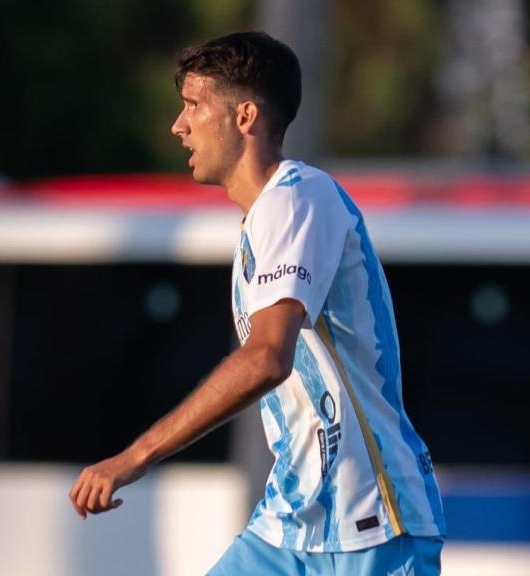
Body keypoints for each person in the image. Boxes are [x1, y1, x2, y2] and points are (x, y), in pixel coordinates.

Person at [68, 31, 446, 574]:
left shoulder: (298, 196)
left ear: (245, 117)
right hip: (292, 525)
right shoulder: (261, 222)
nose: (179, 124)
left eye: (194, 105)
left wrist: (134, 456)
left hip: (370, 527)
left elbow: (268, 357)